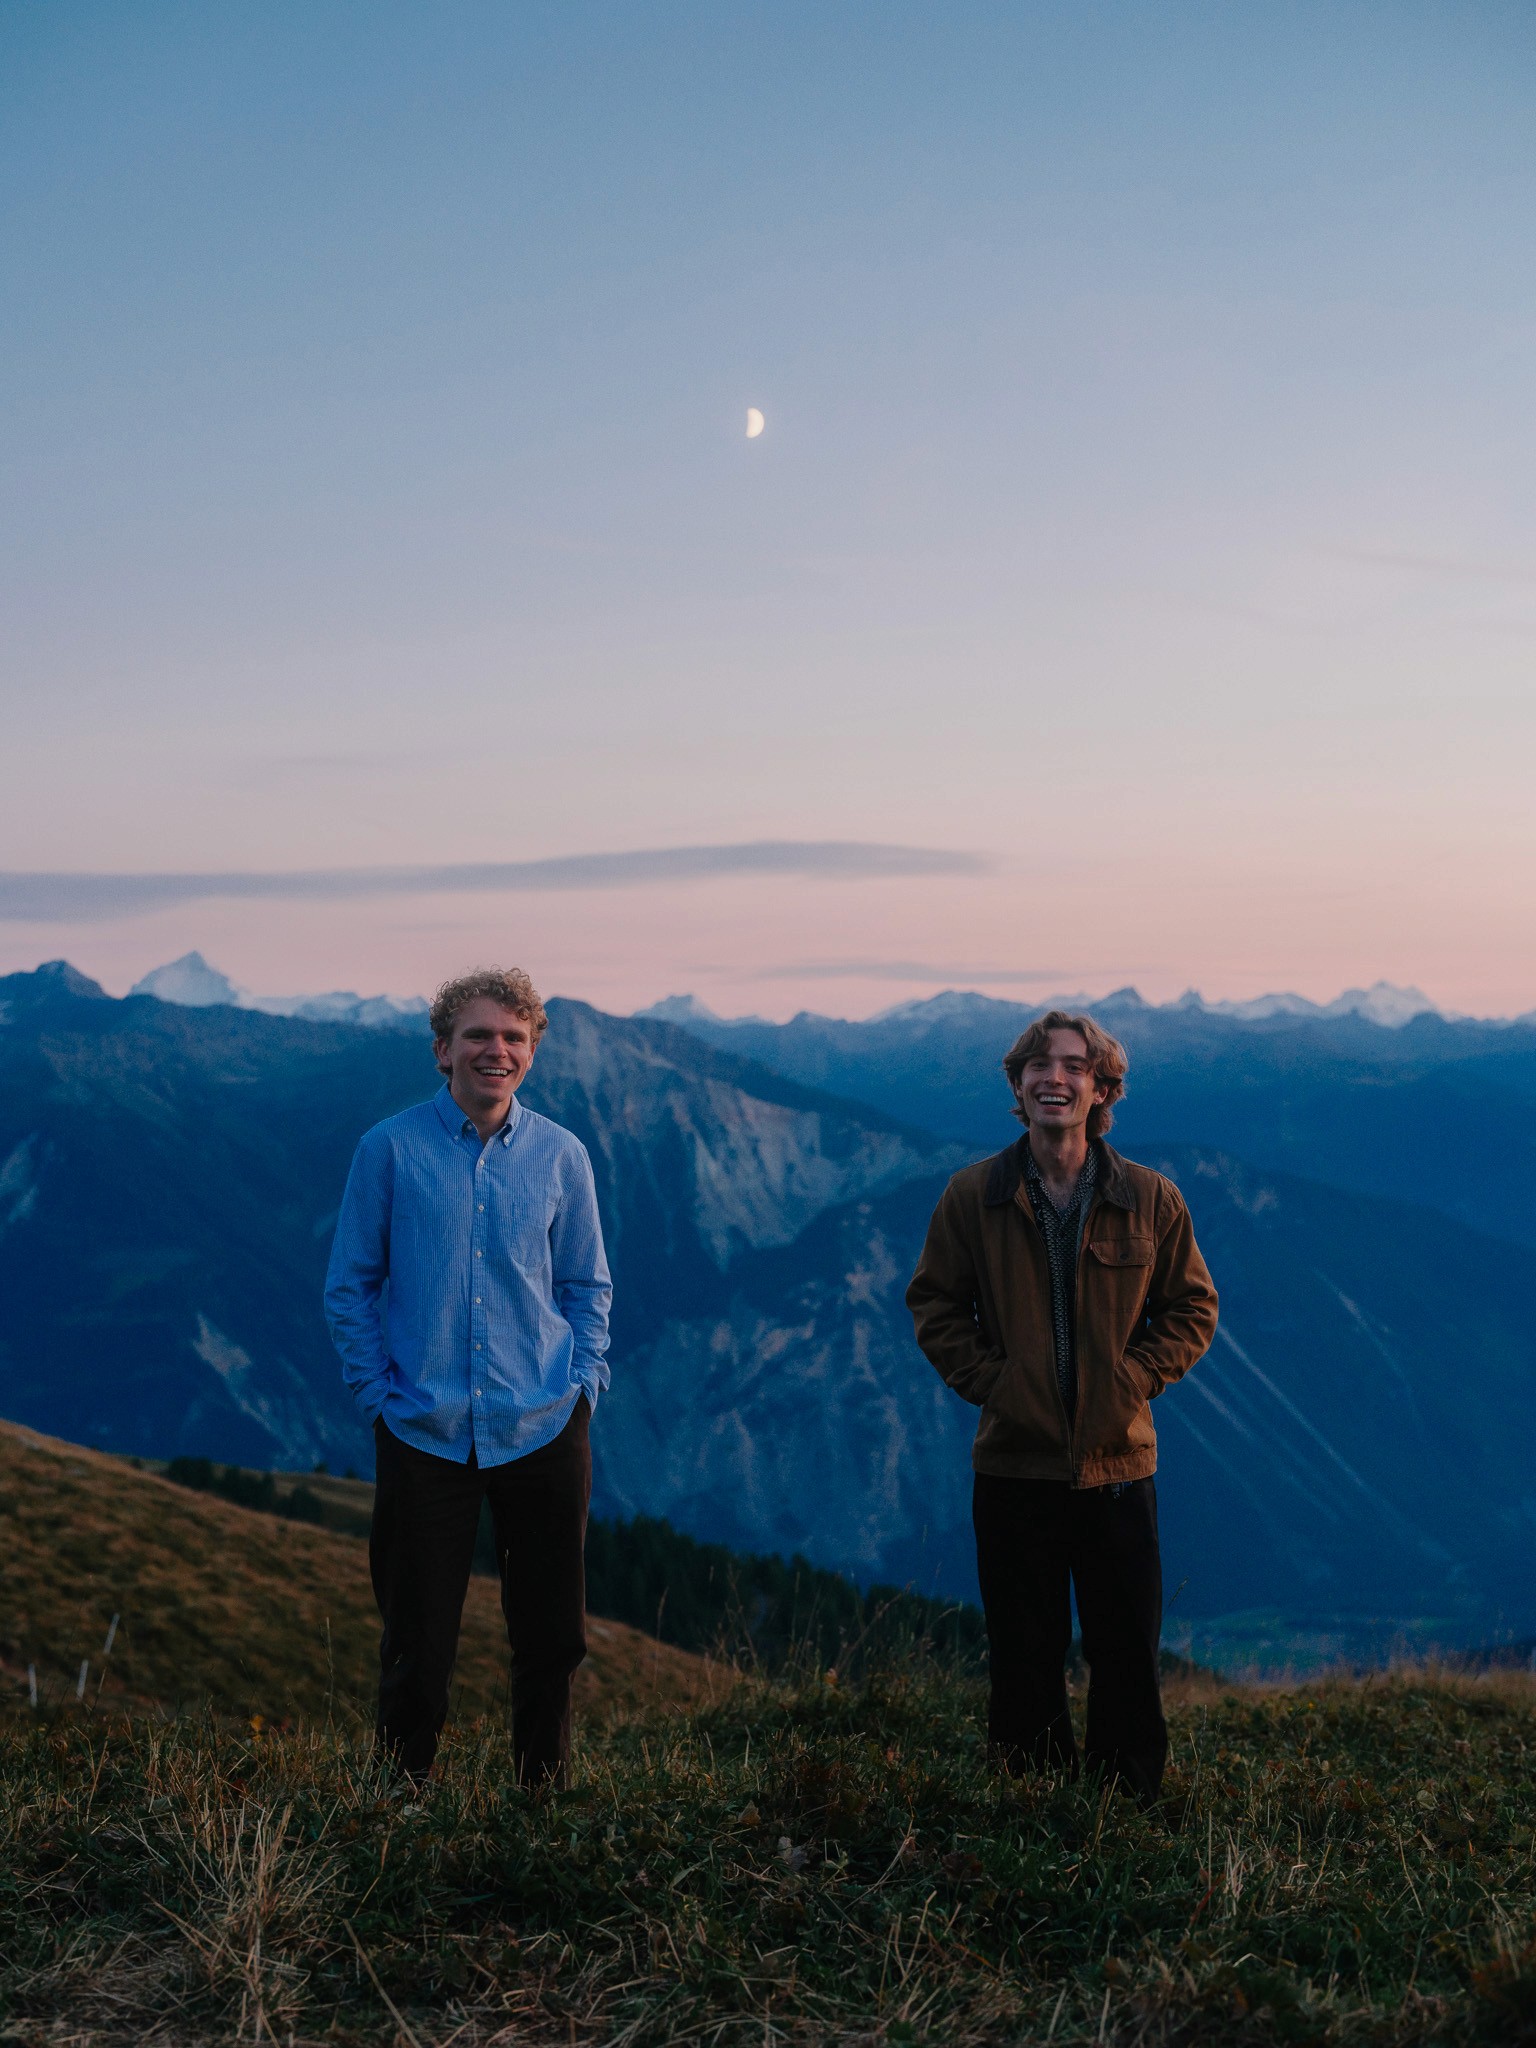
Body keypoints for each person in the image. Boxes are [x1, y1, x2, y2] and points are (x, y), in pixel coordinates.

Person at [906, 1009, 1216, 1802]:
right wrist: (995, 1384)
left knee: (1125, 1651)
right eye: (1039, 1065)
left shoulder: (1149, 1199)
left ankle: (1128, 1804)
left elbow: (1192, 1308)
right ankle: (1029, 1799)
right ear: (1017, 1085)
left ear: (1101, 1088)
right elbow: (935, 1302)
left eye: (1075, 1066)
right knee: (1023, 1651)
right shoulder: (974, 1196)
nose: (1055, 1077)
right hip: (1015, 1464)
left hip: (1118, 1465)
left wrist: (1134, 1379)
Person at [325, 966, 611, 1788]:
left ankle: (541, 1800)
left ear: (533, 1053)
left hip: (545, 1422)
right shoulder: (389, 1148)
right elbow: (350, 1284)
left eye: (514, 1037)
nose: (497, 1050)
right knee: (417, 1640)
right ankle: (397, 1807)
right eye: (479, 1035)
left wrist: (584, 1384)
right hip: (424, 1428)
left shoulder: (562, 1155)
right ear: (442, 1050)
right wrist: (378, 1396)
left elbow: (587, 1284)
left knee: (551, 1637)